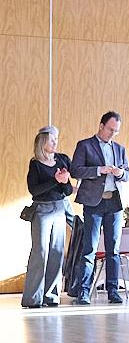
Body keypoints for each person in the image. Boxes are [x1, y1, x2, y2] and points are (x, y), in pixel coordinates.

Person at [70, 111, 129, 305]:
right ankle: (84, 291)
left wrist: (121, 173)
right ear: (101, 126)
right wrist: (99, 170)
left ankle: (113, 291)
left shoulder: (120, 149)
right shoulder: (85, 145)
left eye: (116, 131)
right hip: (93, 202)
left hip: (114, 202)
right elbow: (75, 170)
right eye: (111, 129)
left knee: (113, 248)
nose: (113, 133)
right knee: (89, 248)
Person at [21, 126, 73, 309]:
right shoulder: (35, 164)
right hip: (42, 211)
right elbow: (34, 190)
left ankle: (51, 296)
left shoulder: (63, 160)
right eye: (51, 139)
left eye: (56, 138)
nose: (55, 142)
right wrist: (55, 181)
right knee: (40, 252)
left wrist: (65, 182)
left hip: (59, 208)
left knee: (57, 252)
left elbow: (67, 191)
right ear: (42, 141)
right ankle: (33, 299)